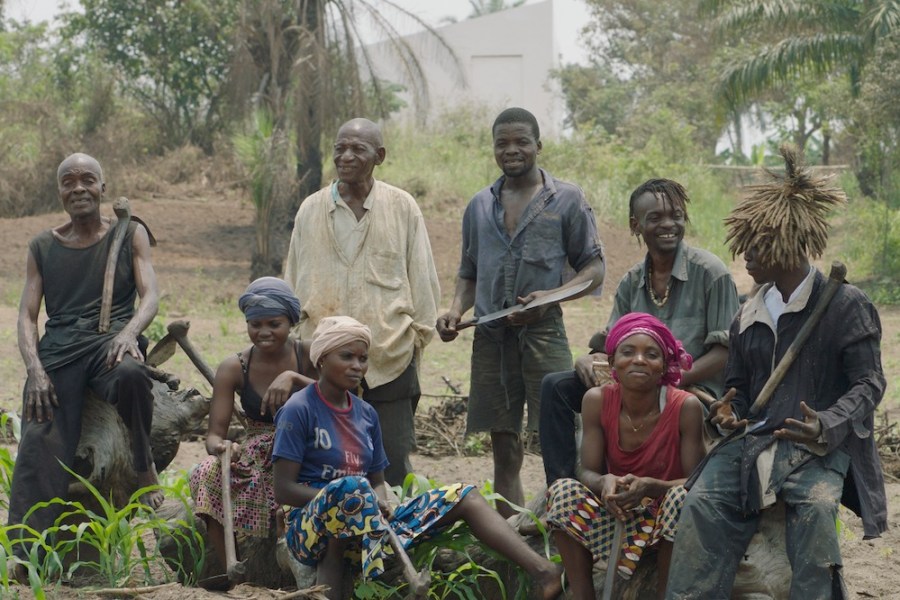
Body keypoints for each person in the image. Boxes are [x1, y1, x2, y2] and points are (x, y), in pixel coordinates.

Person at [666, 146, 888, 598]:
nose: (744, 254)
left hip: (818, 451)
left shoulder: (845, 305)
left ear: (789, 242)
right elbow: (740, 391)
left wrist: (825, 422)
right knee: (703, 503)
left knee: (815, 508)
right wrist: (729, 414)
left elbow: (870, 383)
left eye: (755, 244)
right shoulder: (748, 313)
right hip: (755, 444)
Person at [272, 316, 563, 600]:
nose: (357, 366)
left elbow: (377, 481)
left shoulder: (365, 414)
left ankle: (544, 572)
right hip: (308, 531)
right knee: (349, 491)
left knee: (465, 495)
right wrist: (353, 500)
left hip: (370, 525)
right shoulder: (299, 409)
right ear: (322, 358)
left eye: (363, 359)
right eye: (347, 357)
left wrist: (378, 502)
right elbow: (283, 489)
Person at [435, 107, 605, 517]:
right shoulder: (479, 205)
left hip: (544, 332)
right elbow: (469, 272)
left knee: (559, 436)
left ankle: (563, 524)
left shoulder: (566, 199)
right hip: (491, 339)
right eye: (502, 143)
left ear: (538, 146)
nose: (511, 150)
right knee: (503, 442)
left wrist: (548, 298)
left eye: (521, 142)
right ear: (493, 149)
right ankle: (511, 530)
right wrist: (455, 310)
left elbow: (594, 270)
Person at [8, 153, 161, 574]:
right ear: (59, 192)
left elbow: (149, 295)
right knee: (39, 437)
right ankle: (25, 552)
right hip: (58, 350)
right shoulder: (43, 245)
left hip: (109, 342)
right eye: (68, 182)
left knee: (132, 375)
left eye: (87, 180)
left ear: (103, 187)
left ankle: (144, 468)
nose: (78, 188)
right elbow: (26, 315)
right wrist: (35, 369)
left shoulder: (130, 233)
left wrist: (129, 334)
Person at [540, 178, 740, 485]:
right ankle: (562, 489)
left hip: (693, 391)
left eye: (675, 215)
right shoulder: (632, 281)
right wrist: (590, 358)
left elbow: (724, 353)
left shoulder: (711, 273)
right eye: (655, 218)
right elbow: (612, 345)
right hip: (635, 387)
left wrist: (671, 377)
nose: (668, 224)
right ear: (636, 225)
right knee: (556, 386)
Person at [284, 117, 440, 487]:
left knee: (392, 466)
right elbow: (293, 284)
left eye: (358, 149)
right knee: (321, 463)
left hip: (388, 361)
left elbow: (424, 287)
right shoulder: (310, 209)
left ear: (379, 156)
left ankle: (395, 542)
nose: (346, 156)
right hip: (320, 363)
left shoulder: (402, 207)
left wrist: (413, 345)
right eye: (340, 148)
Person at [546, 313, 704, 599]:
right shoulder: (596, 400)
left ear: (664, 366)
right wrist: (605, 481)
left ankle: (665, 594)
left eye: (651, 354)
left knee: (680, 498)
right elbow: (587, 471)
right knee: (563, 490)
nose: (639, 360)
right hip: (618, 519)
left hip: (666, 527)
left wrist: (656, 486)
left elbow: (697, 481)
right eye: (628, 352)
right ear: (612, 362)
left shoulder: (685, 407)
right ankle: (583, 594)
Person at [189, 277, 317, 585]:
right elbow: (214, 435)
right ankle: (233, 569)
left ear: (291, 322)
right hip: (259, 451)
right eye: (255, 324)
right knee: (205, 472)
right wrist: (224, 448)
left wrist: (294, 378)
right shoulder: (234, 367)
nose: (264, 332)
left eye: (274, 323)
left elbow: (341, 401)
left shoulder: (309, 355)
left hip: (307, 446)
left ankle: (299, 562)